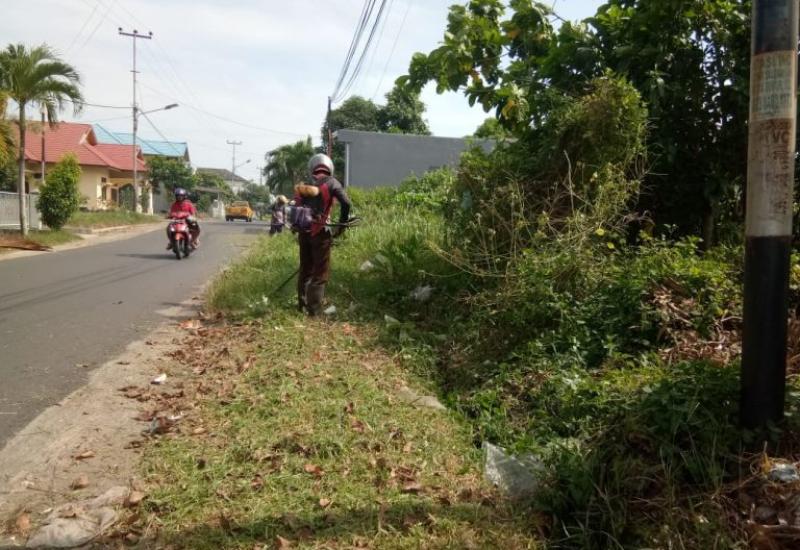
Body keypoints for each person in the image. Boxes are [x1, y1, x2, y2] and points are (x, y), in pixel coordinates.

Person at [294, 153, 351, 316]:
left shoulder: (303, 185)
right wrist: (342, 225)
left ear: (312, 167)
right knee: (320, 272)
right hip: (321, 233)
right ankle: (314, 310)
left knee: (305, 268)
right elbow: (346, 203)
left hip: (303, 233)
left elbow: (296, 208)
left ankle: (302, 305)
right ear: (329, 168)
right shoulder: (332, 182)